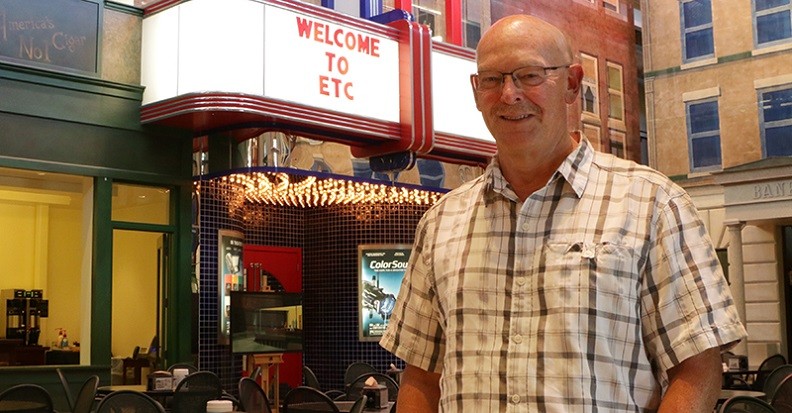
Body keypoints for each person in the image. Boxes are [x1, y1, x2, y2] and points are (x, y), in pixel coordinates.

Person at [379, 14, 747, 413]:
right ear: (476, 90)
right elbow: (422, 377)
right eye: (492, 79)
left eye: (530, 76)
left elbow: (696, 367)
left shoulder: (653, 204)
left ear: (572, 83)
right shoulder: (441, 223)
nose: (509, 94)